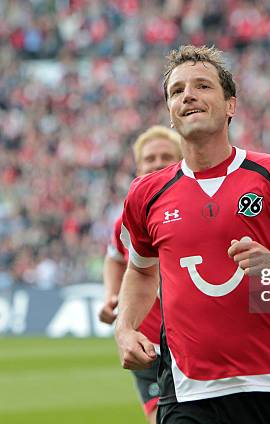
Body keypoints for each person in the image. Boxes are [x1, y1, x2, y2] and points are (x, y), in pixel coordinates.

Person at [115, 45, 270, 424]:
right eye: (177, 91)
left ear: (231, 104)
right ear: (170, 112)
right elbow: (141, 270)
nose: (188, 95)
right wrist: (125, 328)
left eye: (202, 85)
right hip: (186, 394)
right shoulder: (146, 193)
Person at [99, 125, 183, 423]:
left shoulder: (200, 207)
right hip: (148, 340)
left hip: (192, 341)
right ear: (138, 166)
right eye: (150, 158)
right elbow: (113, 258)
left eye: (166, 157)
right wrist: (112, 294)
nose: (157, 164)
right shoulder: (127, 217)